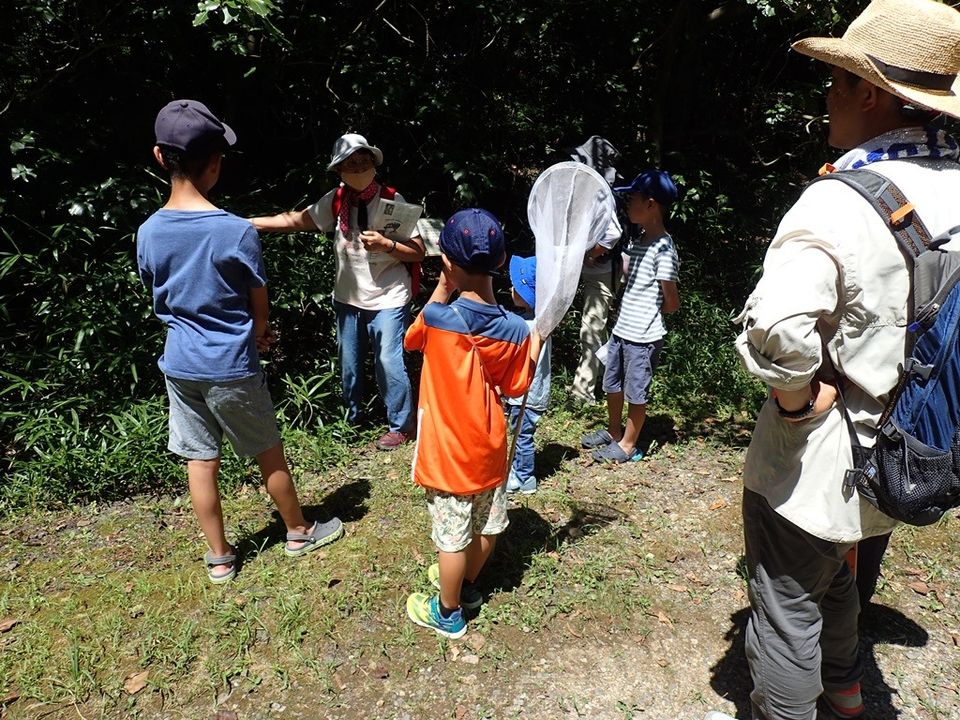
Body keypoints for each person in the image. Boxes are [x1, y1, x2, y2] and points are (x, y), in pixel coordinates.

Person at [707, 2, 960, 718]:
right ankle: (848, 698)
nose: (827, 95)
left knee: (788, 612)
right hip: (911, 451)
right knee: (841, 581)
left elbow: (779, 326)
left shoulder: (838, 202)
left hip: (822, 461)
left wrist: (792, 398)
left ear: (871, 94)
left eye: (838, 82)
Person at [136, 100, 343, 584]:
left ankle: (220, 558)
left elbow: (157, 289)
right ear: (216, 162)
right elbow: (258, 299)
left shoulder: (147, 231)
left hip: (181, 364)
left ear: (160, 157)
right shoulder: (234, 230)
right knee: (267, 450)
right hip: (230, 362)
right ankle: (297, 529)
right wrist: (260, 332)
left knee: (199, 459)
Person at [403, 209, 538, 638]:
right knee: (487, 523)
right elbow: (516, 384)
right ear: (501, 262)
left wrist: (441, 291)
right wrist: (531, 346)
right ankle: (470, 587)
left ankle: (448, 611)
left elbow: (411, 340)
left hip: (448, 449)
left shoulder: (440, 319)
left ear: (447, 263)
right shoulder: (516, 329)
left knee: (450, 536)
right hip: (490, 441)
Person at [250, 134, 425, 450]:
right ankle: (351, 420)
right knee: (349, 364)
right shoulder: (336, 201)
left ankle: (401, 426)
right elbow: (295, 221)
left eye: (363, 160)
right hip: (347, 298)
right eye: (350, 162)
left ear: (373, 162)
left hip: (389, 297)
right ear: (339, 169)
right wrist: (251, 224)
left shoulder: (392, 202)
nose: (358, 166)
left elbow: (418, 251)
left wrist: (388, 245)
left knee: (388, 361)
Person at [581, 170, 680, 463]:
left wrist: (650, 311)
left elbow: (670, 299)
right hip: (622, 330)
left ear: (650, 205)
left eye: (632, 199)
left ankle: (627, 444)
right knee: (612, 382)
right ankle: (614, 431)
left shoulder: (664, 247)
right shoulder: (639, 240)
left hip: (644, 336)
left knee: (636, 391)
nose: (626, 204)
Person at [565, 135, 625, 405]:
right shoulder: (582, 188)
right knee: (596, 329)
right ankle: (600, 380)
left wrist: (590, 255)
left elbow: (613, 233)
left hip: (600, 270)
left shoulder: (600, 191)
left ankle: (583, 391)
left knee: (591, 327)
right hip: (587, 267)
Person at [505, 255, 552, 495]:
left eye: (515, 285)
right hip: (533, 390)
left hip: (527, 392)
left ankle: (524, 478)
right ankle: (519, 471)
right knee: (521, 431)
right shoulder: (541, 320)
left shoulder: (527, 325)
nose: (510, 288)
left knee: (522, 435)